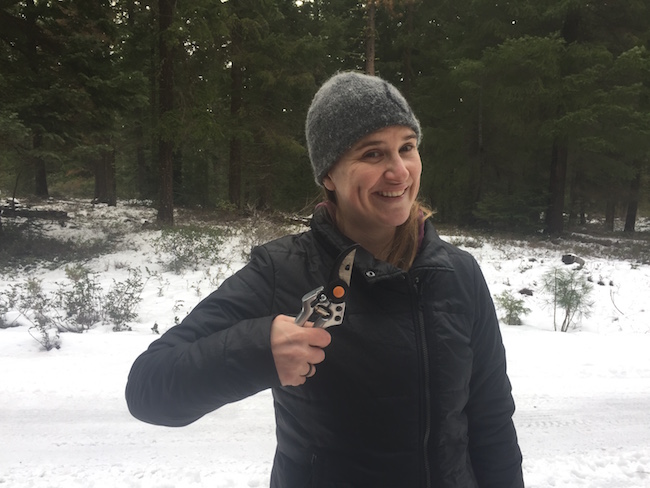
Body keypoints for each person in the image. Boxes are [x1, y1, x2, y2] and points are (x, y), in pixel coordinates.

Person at [125, 71, 525, 488]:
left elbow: (491, 420)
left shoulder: (457, 273)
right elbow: (149, 387)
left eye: (407, 148)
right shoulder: (285, 270)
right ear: (329, 176)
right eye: (372, 154)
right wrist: (259, 349)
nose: (399, 172)